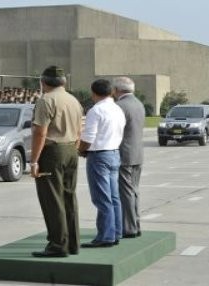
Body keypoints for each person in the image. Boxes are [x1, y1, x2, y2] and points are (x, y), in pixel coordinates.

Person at [30, 66, 83, 258]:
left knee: (52, 199)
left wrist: (34, 161)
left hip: (52, 151)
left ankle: (58, 245)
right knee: (69, 197)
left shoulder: (46, 100)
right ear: (63, 82)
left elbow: (40, 132)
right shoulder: (73, 99)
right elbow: (79, 129)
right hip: (70, 149)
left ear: (43, 82)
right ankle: (73, 243)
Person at [78, 79, 126, 248]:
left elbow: (89, 137)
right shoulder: (117, 109)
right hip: (114, 153)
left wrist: (80, 150)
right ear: (111, 92)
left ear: (93, 93)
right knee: (114, 197)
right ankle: (116, 232)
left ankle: (106, 236)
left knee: (102, 199)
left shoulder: (96, 110)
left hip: (99, 155)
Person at [112, 77, 145, 238]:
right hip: (137, 153)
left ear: (117, 90)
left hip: (124, 154)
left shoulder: (119, 106)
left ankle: (129, 228)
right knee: (134, 191)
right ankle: (135, 224)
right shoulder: (138, 103)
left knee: (125, 193)